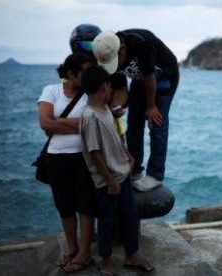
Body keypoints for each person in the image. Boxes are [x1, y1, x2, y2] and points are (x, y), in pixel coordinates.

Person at [80, 65, 154, 274]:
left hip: (121, 174)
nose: (112, 90)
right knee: (107, 220)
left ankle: (132, 255)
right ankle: (105, 260)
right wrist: (110, 181)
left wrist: (127, 155)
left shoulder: (105, 109)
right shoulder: (90, 117)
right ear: (103, 87)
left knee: (129, 215)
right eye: (110, 86)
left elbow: (115, 136)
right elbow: (94, 153)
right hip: (108, 181)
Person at [92, 29, 179, 191]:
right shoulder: (108, 51)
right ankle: (135, 170)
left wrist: (151, 106)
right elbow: (121, 91)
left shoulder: (140, 43)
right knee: (134, 123)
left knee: (156, 123)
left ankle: (156, 175)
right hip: (141, 81)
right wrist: (115, 108)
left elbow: (150, 78)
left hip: (164, 76)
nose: (115, 66)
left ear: (122, 49)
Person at [37, 53, 97, 273]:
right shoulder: (51, 90)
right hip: (55, 158)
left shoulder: (89, 92)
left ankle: (84, 252)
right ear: (71, 73)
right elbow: (44, 123)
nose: (90, 75)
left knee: (86, 206)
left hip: (84, 157)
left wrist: (58, 121)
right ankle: (72, 248)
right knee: (65, 205)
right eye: (85, 70)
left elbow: (92, 122)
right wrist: (75, 124)